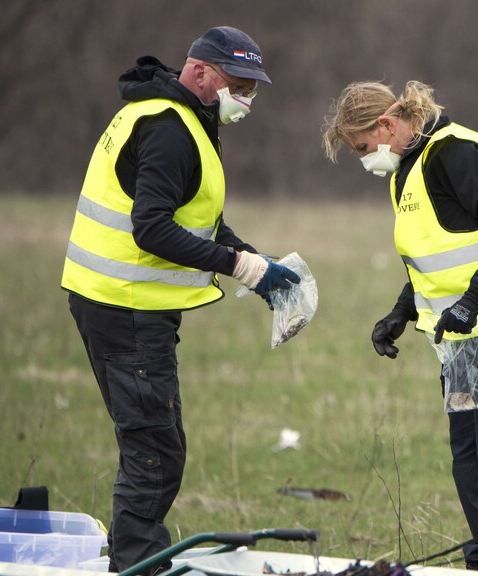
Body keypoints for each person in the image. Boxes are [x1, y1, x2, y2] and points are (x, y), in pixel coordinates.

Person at [61, 26, 300, 572]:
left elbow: (196, 217)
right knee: (154, 449)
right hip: (125, 306)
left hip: (126, 303)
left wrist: (254, 262)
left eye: (253, 88)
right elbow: (151, 228)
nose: (246, 99)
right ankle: (139, 565)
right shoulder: (170, 127)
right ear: (198, 73)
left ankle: (137, 557)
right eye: (239, 85)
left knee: (155, 442)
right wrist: (238, 265)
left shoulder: (178, 117)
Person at [322, 81, 478, 575]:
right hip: (458, 348)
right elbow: (432, 258)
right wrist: (400, 313)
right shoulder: (405, 169)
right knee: (470, 462)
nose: (365, 160)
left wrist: (472, 302)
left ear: (386, 124)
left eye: (363, 147)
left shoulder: (458, 153)